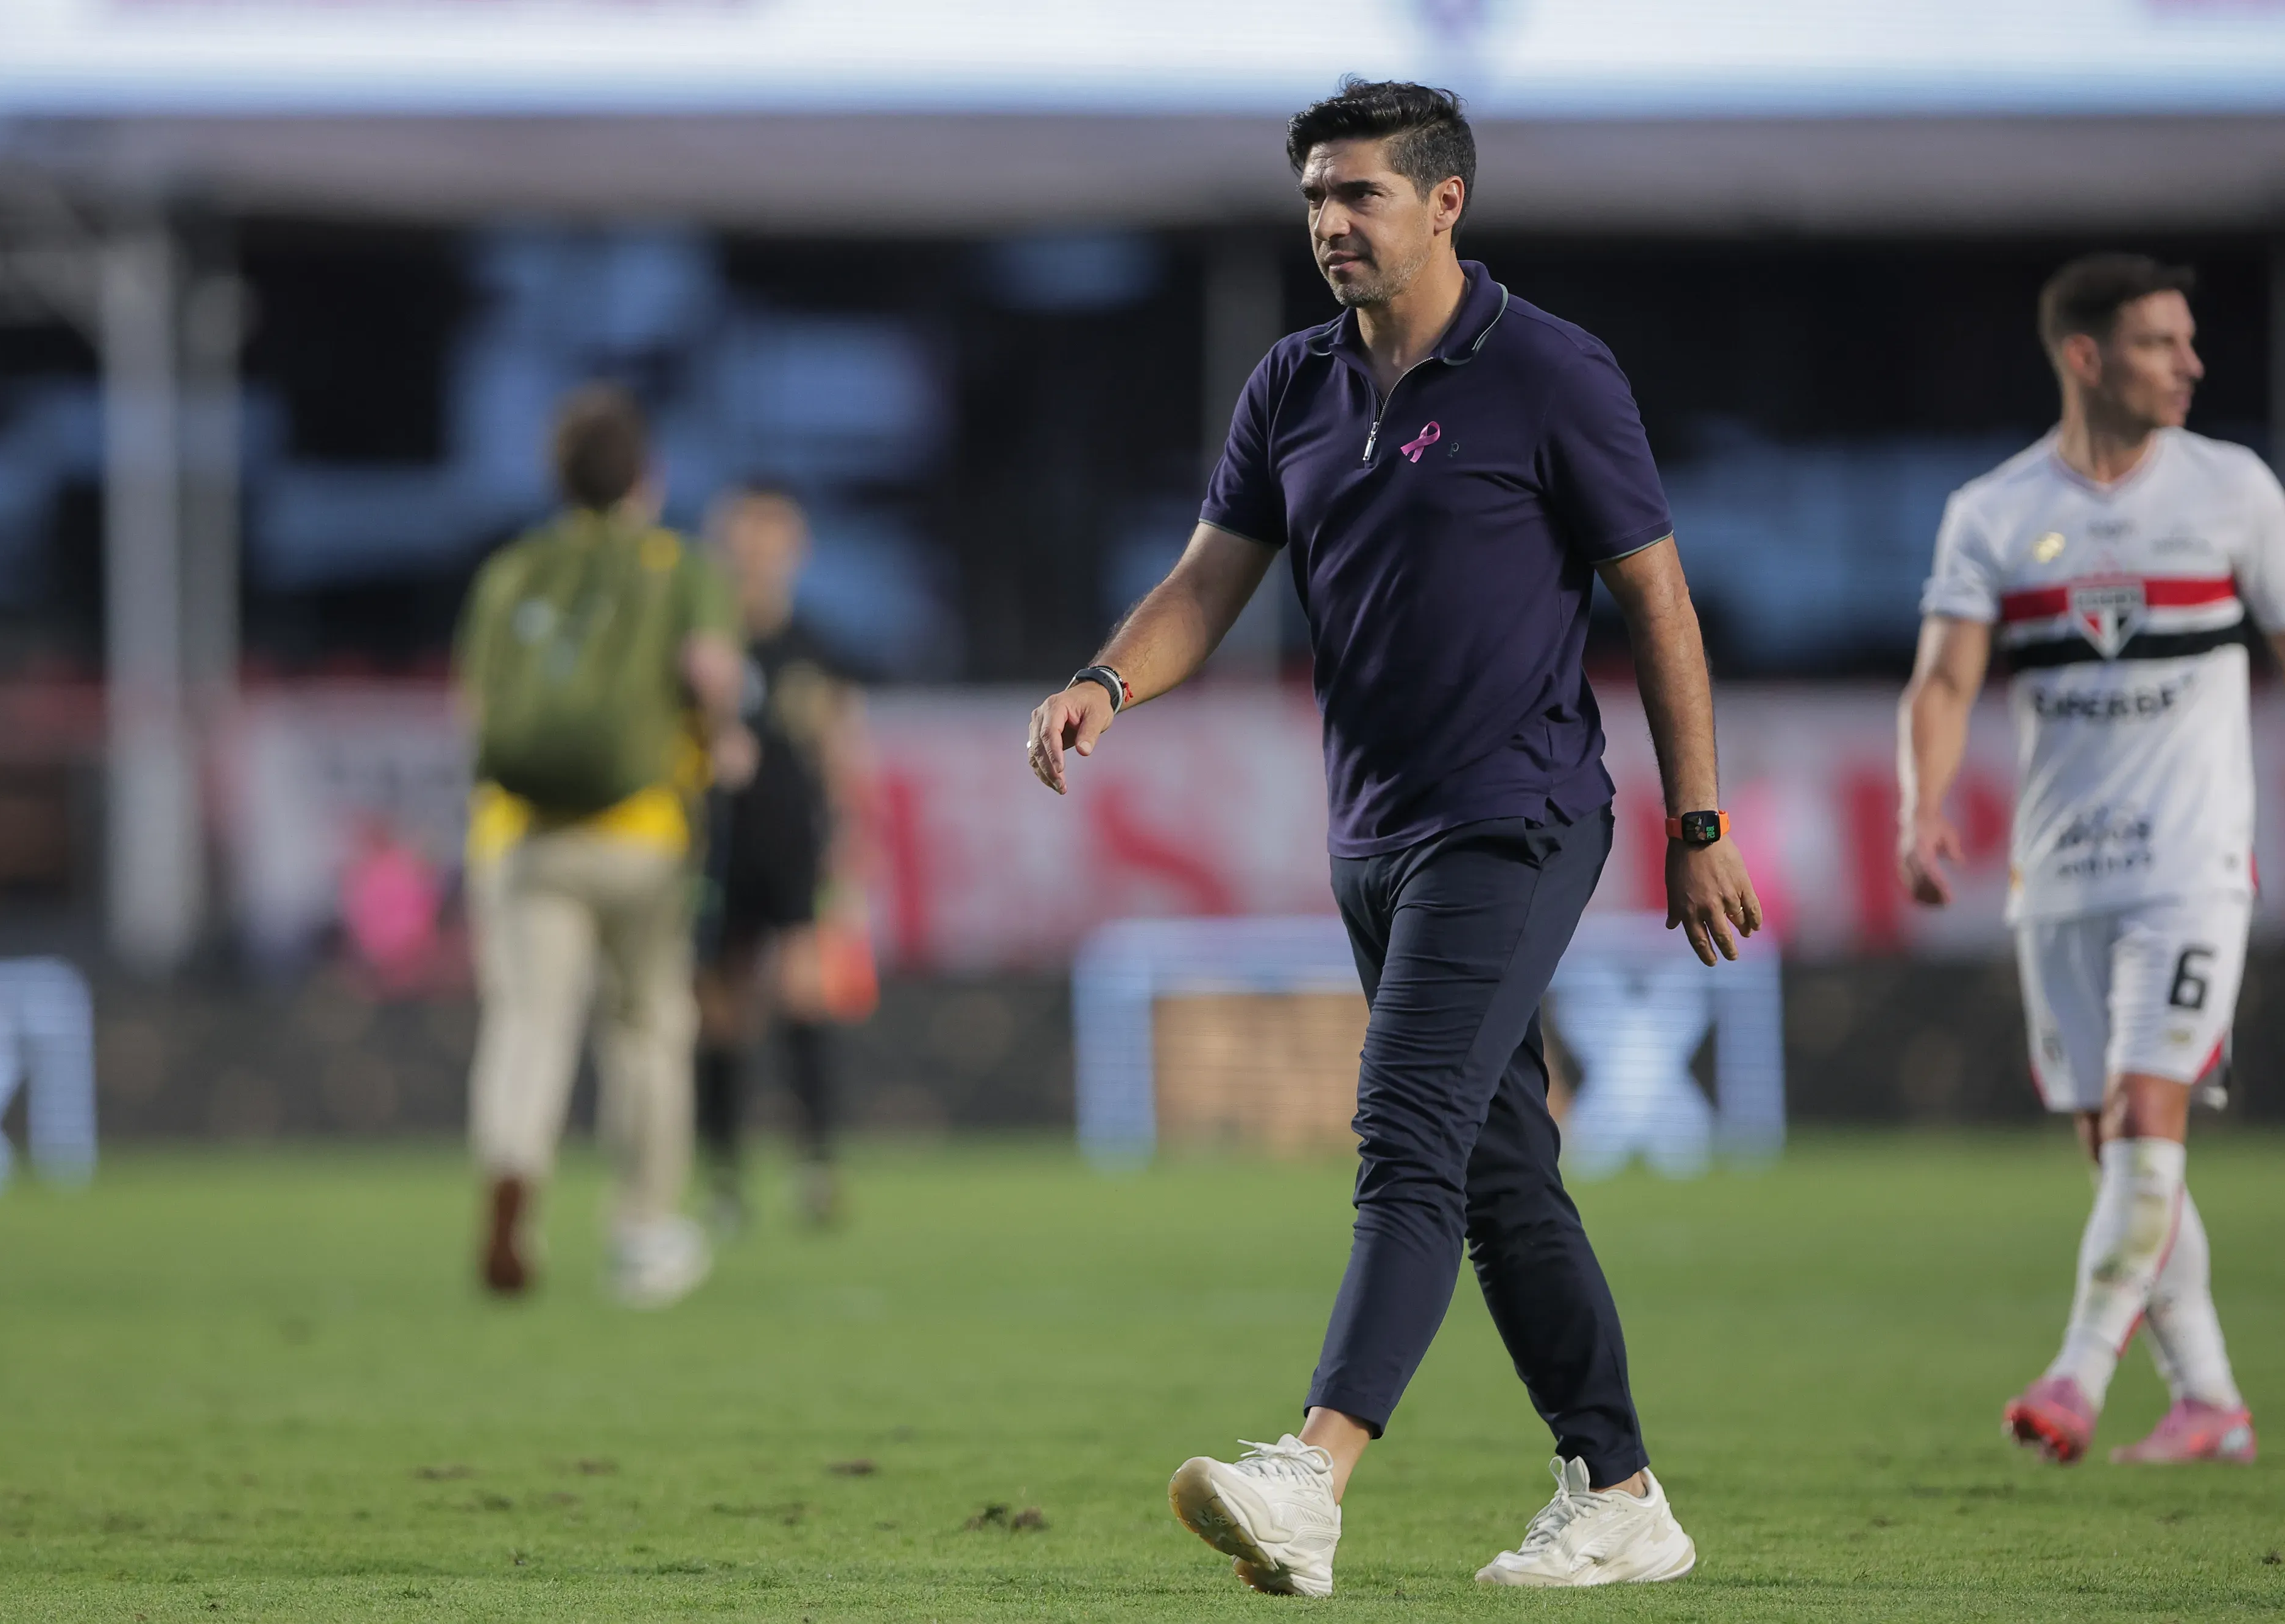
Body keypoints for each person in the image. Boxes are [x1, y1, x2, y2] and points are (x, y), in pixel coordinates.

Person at [1027, 79, 1761, 1595]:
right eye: (1312, 196)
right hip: (1371, 833)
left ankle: (1314, 1472)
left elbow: (1658, 603)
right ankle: (1617, 1489)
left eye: (1356, 194)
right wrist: (1109, 680)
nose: (1327, 224)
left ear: (1445, 203)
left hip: (1519, 812)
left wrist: (1697, 817)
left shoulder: (1552, 372)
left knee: (1404, 1132)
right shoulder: (1288, 384)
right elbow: (1208, 583)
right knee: (1498, 1173)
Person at [1900, 253, 2275, 1465]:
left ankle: (2074, 1372)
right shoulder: (1995, 513)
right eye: (2160, 343)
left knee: (2145, 1109)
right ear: (2084, 357)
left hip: (2192, 866)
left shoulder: (2233, 493)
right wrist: (1921, 807)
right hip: (2057, 874)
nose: (2188, 363)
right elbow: (1946, 676)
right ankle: (2207, 1396)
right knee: (2115, 1144)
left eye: (2185, 340)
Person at [455, 384, 751, 1307]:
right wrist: (724, 735)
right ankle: (643, 1232)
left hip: (523, 831)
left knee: (528, 1026)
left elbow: (473, 707)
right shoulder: (677, 564)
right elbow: (711, 672)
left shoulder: (513, 569)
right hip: (643, 833)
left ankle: (514, 1172)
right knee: (648, 1031)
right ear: (646, 477)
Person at [693, 483, 874, 1229]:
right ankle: (725, 1181)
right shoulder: (703, 647)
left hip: (795, 846)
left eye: (773, 545)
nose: (760, 560)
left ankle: (815, 1169)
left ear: (794, 552)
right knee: (722, 1011)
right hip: (716, 842)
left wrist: (853, 843)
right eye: (747, 544)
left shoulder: (813, 646)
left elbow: (842, 749)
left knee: (805, 994)